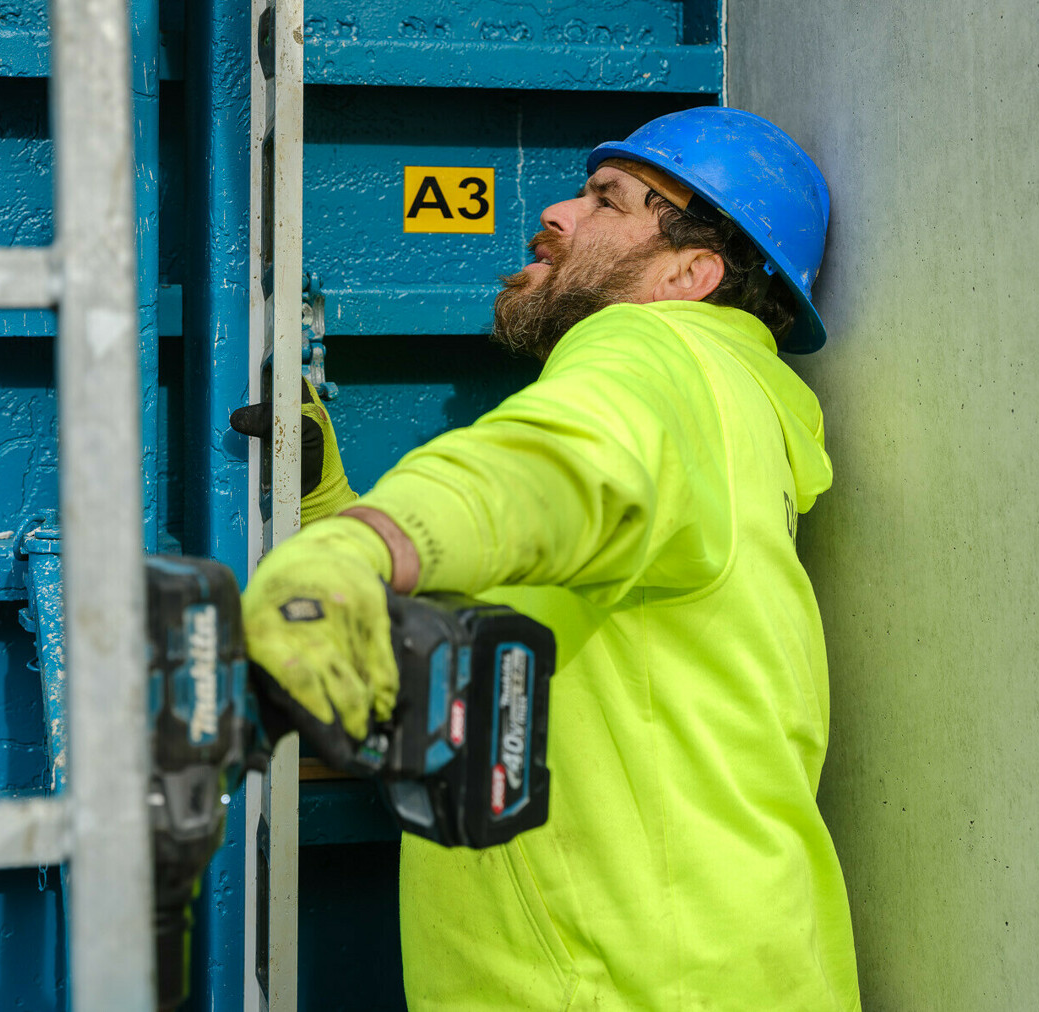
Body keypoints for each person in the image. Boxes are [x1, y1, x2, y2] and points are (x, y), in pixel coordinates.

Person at [237, 106, 862, 1011]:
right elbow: (527, 586)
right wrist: (330, 503)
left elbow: (545, 469)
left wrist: (351, 552)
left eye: (606, 198)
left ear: (691, 273)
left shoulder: (653, 354)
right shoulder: (723, 408)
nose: (557, 214)